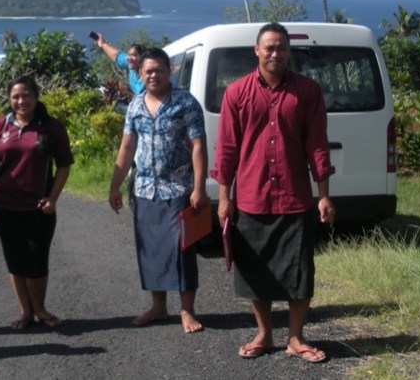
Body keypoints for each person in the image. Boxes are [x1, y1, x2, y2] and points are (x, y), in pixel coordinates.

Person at [212, 22, 336, 364]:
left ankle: (296, 338)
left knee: (299, 272)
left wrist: (323, 195)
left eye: (281, 47)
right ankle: (264, 333)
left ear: (288, 51)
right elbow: (226, 150)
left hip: (295, 198)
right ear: (256, 50)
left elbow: (318, 146)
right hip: (251, 199)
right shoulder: (236, 93)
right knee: (255, 272)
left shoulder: (308, 92)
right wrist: (224, 198)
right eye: (268, 47)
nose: (275, 53)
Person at [108, 47, 209, 334]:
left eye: (159, 70)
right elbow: (127, 146)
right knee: (150, 250)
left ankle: (187, 310)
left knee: (182, 250)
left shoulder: (186, 103)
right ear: (139, 74)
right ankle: (158, 306)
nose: (154, 75)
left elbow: (198, 146)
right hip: (144, 189)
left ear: (169, 71)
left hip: (178, 188)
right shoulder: (136, 106)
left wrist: (199, 187)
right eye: (148, 71)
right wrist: (114, 186)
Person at [0, 76, 74, 330]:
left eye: (26, 95)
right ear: (9, 100)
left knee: (37, 262)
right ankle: (25, 313)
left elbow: (64, 165)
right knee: (15, 261)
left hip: (38, 209)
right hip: (4, 207)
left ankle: (40, 309)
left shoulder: (51, 128)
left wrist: (52, 198)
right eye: (15, 96)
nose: (21, 101)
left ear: (36, 96)